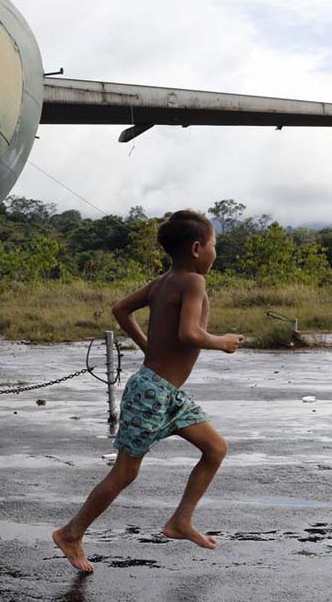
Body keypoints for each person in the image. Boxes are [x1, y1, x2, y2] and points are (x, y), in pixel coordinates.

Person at [52, 210, 246, 573]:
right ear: (196, 248)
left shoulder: (164, 281)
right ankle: (70, 533)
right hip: (152, 393)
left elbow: (120, 308)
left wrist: (147, 346)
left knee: (216, 448)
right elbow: (189, 333)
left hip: (167, 394)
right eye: (214, 245)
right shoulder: (192, 283)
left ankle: (181, 521)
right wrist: (221, 342)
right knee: (125, 473)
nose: (216, 252)